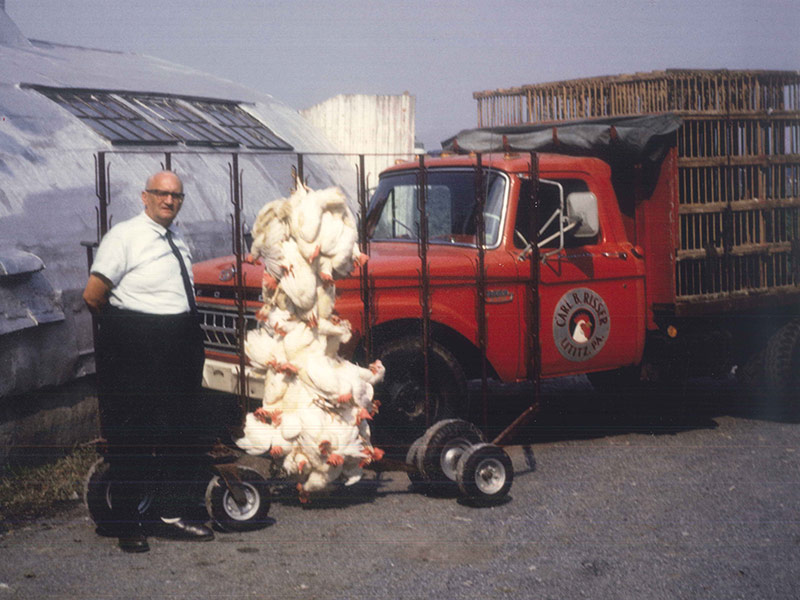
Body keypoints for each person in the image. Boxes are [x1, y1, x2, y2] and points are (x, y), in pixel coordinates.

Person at [83, 170, 214, 553]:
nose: (168, 201)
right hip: (137, 344)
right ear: (144, 196)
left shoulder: (177, 240)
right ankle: (127, 523)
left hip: (179, 341)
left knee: (179, 429)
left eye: (176, 196)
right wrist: (128, 333)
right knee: (133, 432)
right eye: (160, 193)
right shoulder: (124, 236)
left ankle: (170, 515)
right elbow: (93, 295)